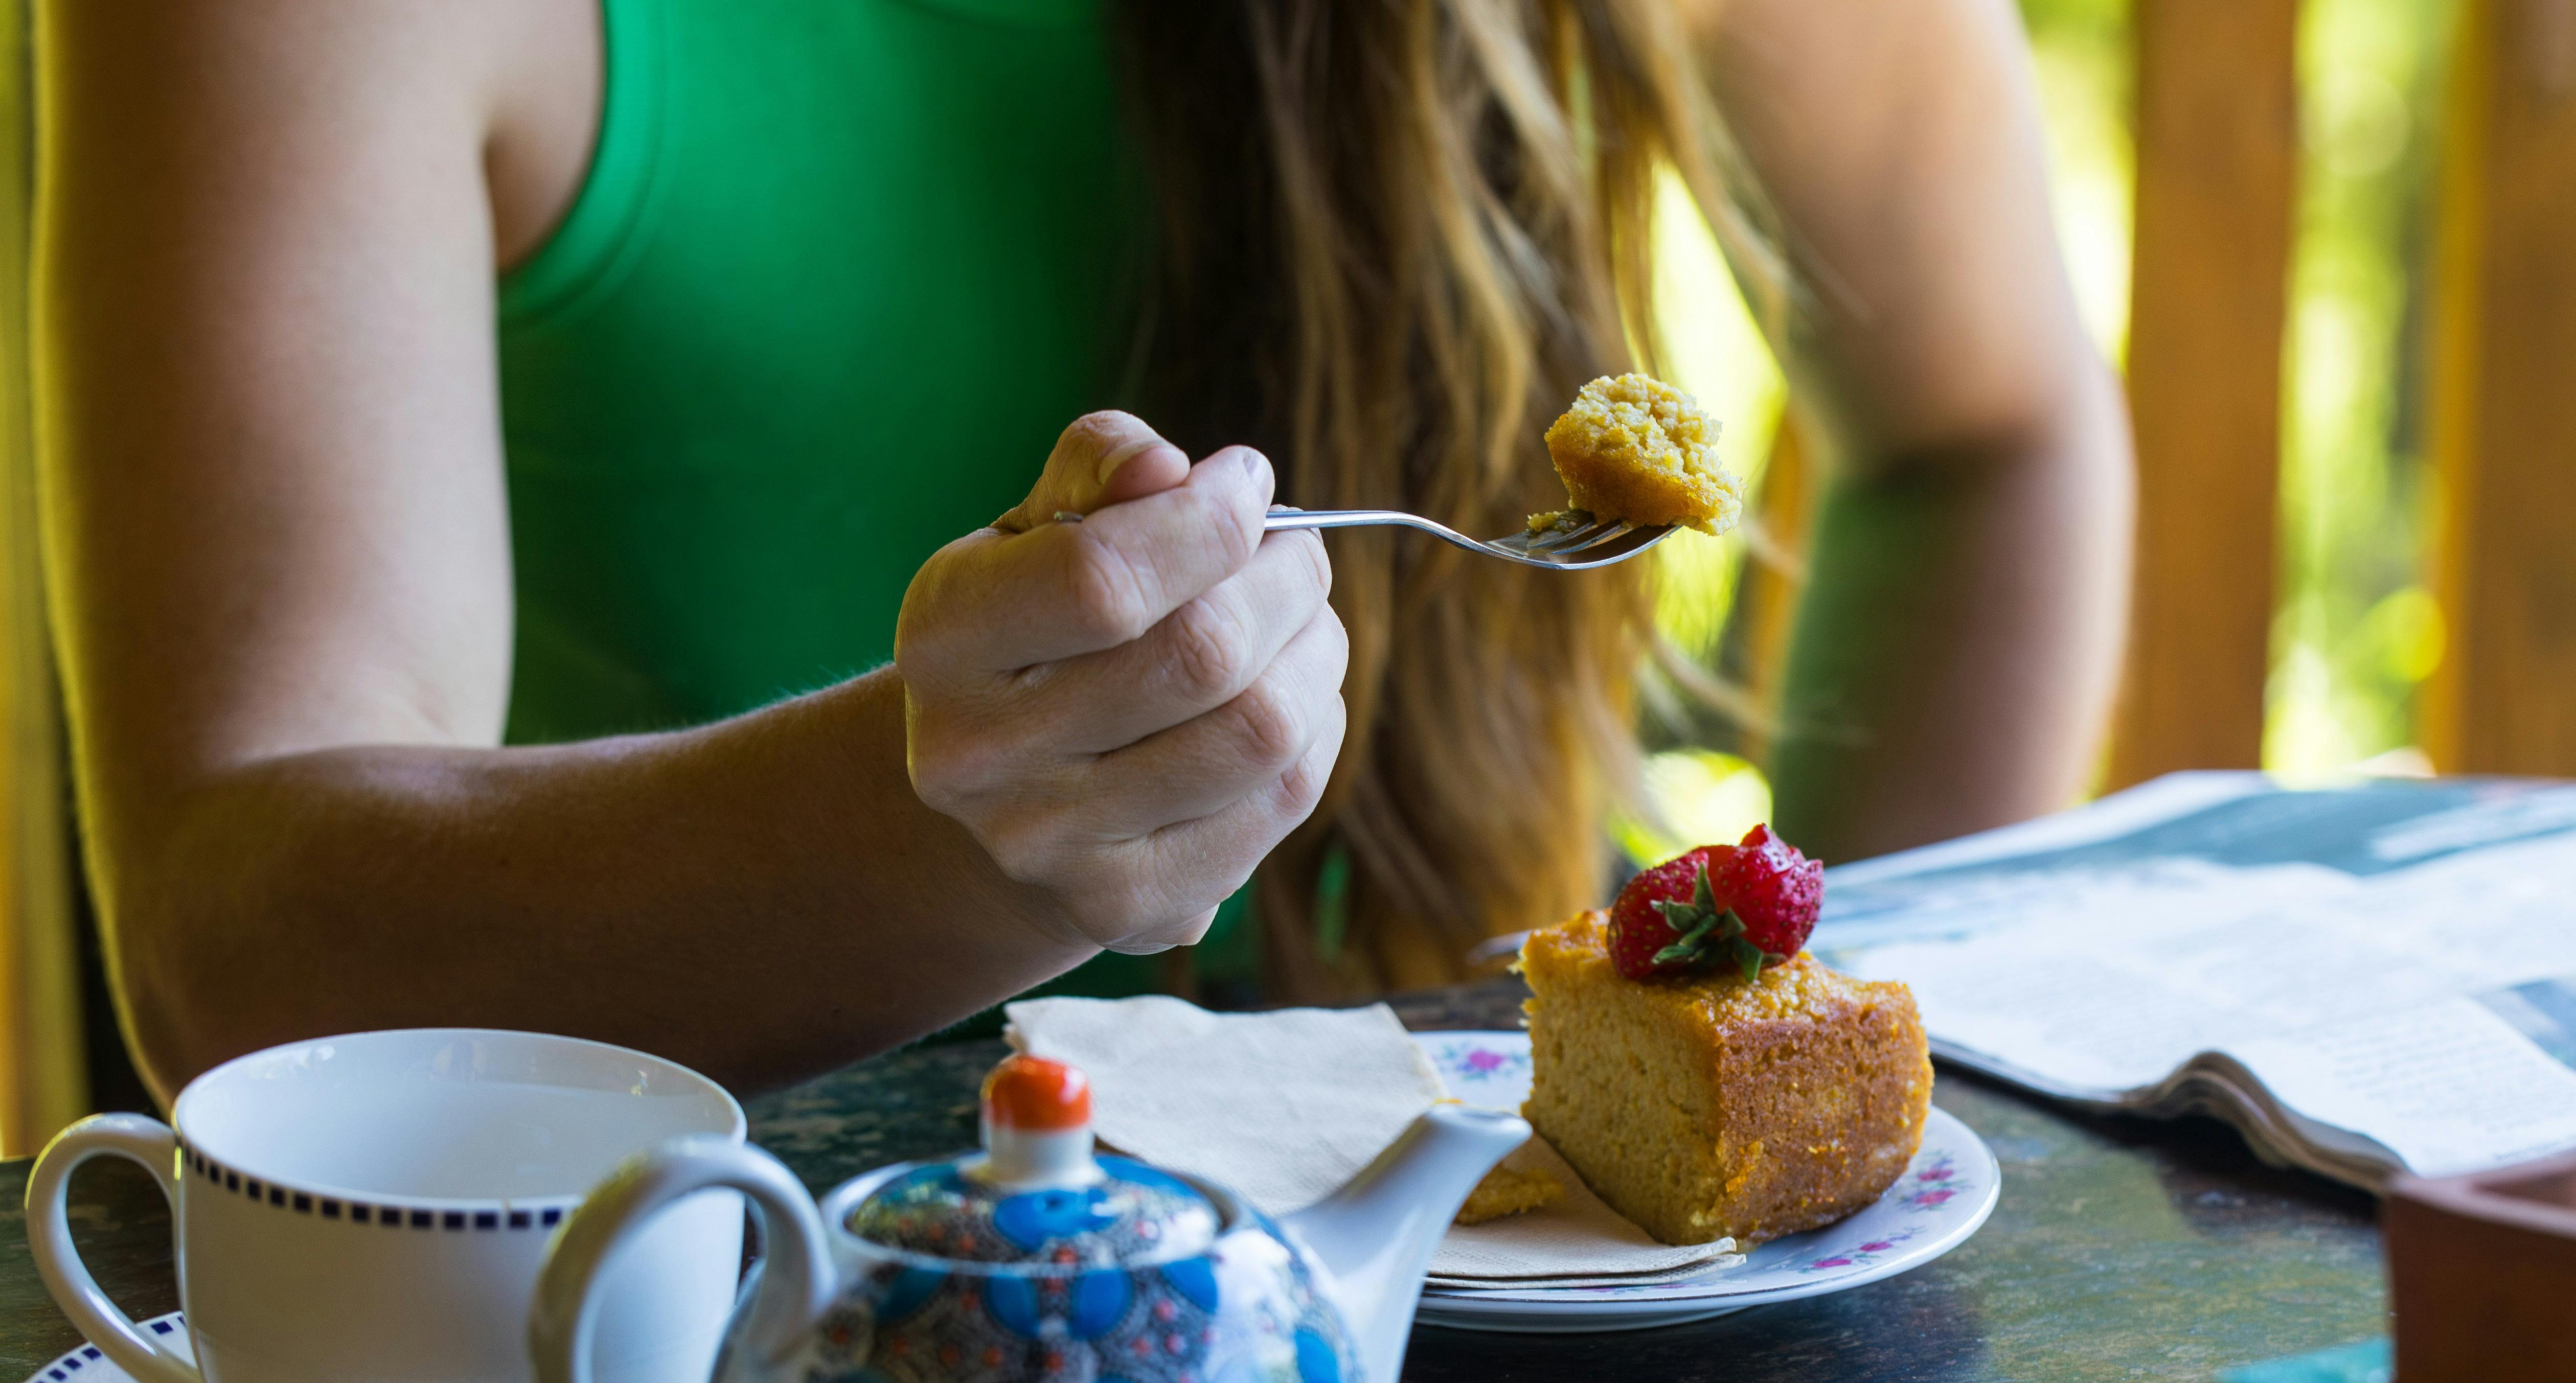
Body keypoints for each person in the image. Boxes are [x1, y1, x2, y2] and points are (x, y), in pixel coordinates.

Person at [36, 0, 2130, 1104]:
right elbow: (242, 931)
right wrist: (950, 829)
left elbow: (1987, 442)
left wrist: (1789, 1065)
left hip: (1505, 1341)